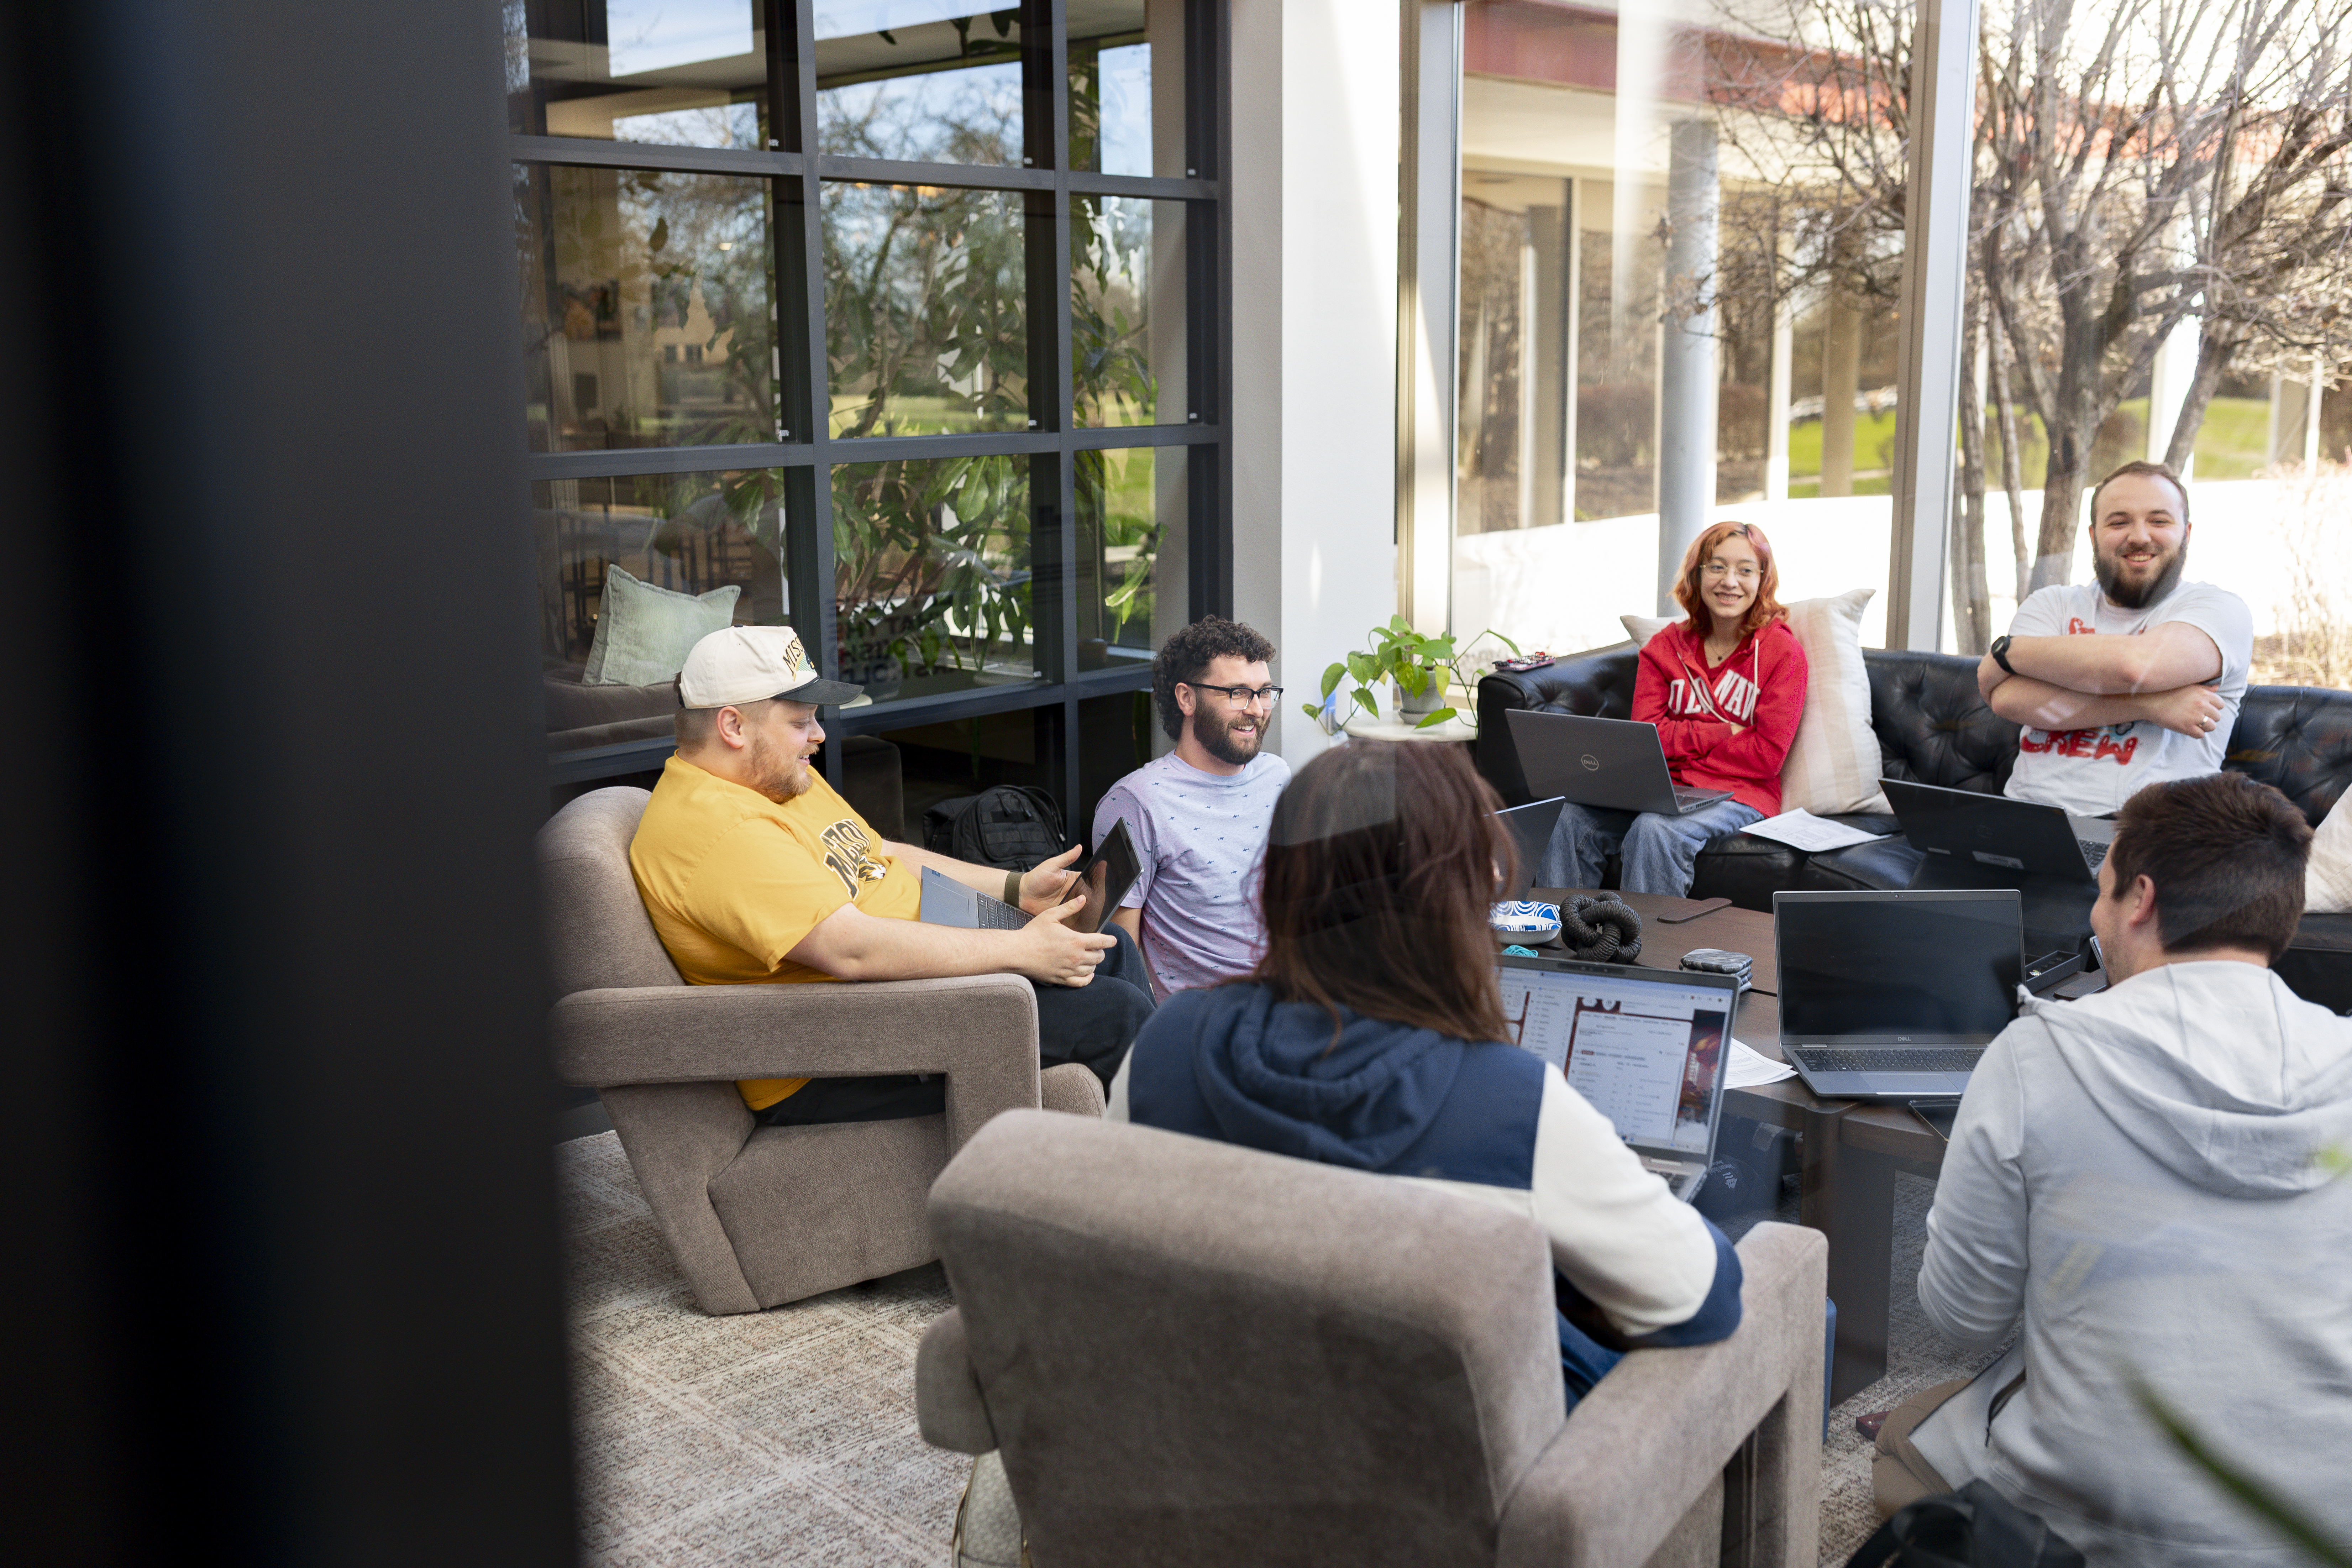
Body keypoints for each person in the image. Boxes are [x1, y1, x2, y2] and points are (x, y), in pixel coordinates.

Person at [1111, 741, 1743, 1405]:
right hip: (1433, 1486)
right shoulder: (1513, 1107)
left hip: (1205, 1443)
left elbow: (1110, 1272)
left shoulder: (1165, 1044)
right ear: (1459, 903)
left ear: (1277, 886)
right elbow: (1702, 1300)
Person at [1873, 772, 2352, 1566]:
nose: (2095, 918)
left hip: (2084, 1524)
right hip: (2321, 1523)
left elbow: (1961, 1318)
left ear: (2138, 899)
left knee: (1901, 1435)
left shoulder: (2034, 1056)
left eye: (2100, 894)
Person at [629, 625, 1154, 1127]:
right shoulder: (719, 831)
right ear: (733, 727)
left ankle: (1128, 1147)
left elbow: (884, 853)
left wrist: (1016, 889)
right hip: (854, 1039)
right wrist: (1020, 950)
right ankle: (1187, 1176)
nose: (818, 735)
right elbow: (850, 950)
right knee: (1113, 1014)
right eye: (799, 722)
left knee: (1110, 948)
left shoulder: (776, 781)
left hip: (914, 975)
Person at [1536, 520, 1807, 896]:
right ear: (1697, 574)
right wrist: (1719, 732)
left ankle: (1647, 954)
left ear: (1762, 579)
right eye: (1716, 566)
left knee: (1655, 828)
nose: (1730, 581)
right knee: (1567, 818)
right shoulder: (1664, 647)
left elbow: (1765, 756)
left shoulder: (1782, 652)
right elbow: (1646, 738)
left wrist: (1681, 754)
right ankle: (1567, 947)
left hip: (1739, 795)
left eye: (1745, 570)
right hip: (1660, 789)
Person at [1980, 460, 2253, 816]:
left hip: (2148, 832)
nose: (2139, 536)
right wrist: (2149, 706)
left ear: (2186, 533)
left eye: (2158, 521)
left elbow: (2136, 666)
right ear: (2093, 536)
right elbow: (2007, 699)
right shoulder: (2052, 604)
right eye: (2119, 522)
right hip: (2026, 818)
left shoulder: (2218, 610)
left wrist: (2006, 652)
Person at [1091, 616, 1290, 1001]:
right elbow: (1120, 965)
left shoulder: (1277, 775)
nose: (1256, 709)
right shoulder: (1135, 803)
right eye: (1237, 693)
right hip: (1205, 1027)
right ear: (1186, 698)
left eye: (1264, 692)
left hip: (1292, 1002)